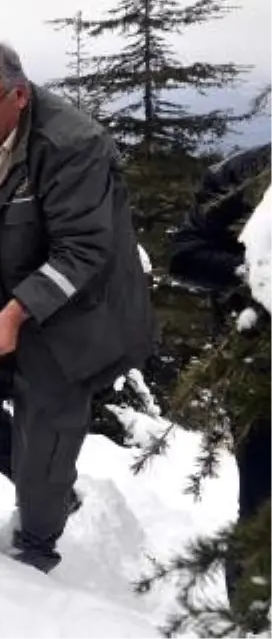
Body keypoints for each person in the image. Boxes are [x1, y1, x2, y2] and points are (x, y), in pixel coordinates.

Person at [0, 39, 156, 573]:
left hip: (76, 314)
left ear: (18, 96)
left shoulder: (72, 144)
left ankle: (36, 552)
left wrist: (18, 312)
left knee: (45, 424)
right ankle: (43, 488)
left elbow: (84, 249)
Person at [167, 142, 272, 606]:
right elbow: (185, 256)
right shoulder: (244, 175)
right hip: (256, 368)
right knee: (262, 506)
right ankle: (248, 619)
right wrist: (257, 272)